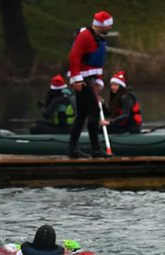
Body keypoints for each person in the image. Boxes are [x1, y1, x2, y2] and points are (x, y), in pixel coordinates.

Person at [67, 10, 114, 158]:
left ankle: (72, 150)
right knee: (94, 111)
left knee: (82, 114)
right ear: (101, 25)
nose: (110, 28)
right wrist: (77, 79)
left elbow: (97, 61)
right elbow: (73, 57)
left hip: (90, 79)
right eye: (109, 26)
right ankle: (96, 149)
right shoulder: (85, 36)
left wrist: (99, 79)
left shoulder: (98, 38)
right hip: (82, 78)